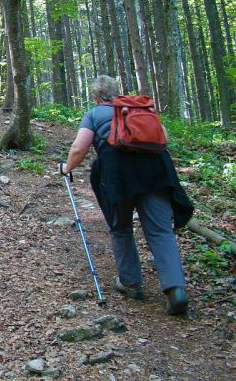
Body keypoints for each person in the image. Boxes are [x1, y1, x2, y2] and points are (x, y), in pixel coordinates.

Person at [59, 75, 193, 315]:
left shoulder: (94, 114)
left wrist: (67, 168)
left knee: (120, 228)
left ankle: (130, 283)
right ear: (117, 92)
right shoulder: (138, 109)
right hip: (156, 173)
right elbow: (164, 138)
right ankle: (176, 289)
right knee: (161, 231)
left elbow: (79, 147)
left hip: (118, 176)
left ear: (97, 97)